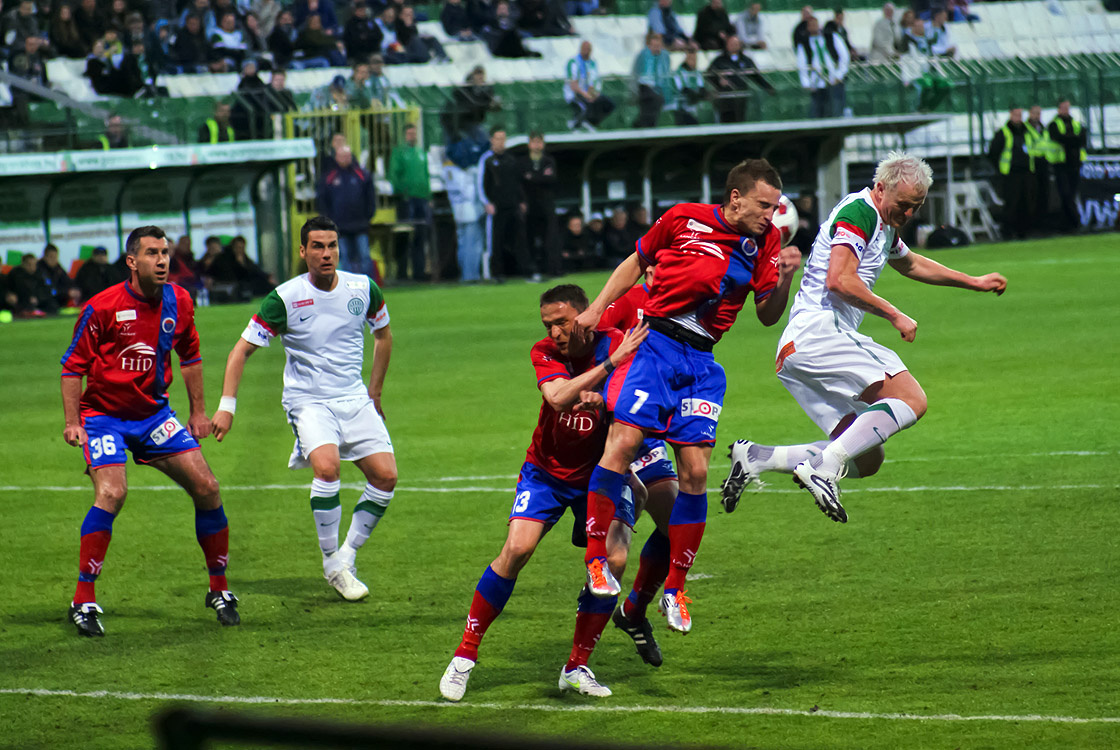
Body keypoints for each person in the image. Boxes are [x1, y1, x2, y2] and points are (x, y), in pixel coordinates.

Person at [571, 159, 802, 634]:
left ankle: (675, 588)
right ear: (735, 197)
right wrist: (597, 309)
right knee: (622, 444)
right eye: (764, 205)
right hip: (654, 344)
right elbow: (636, 261)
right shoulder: (683, 218)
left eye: (776, 207)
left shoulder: (767, 242)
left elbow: (766, 315)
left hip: (701, 362)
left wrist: (782, 280)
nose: (770, 214)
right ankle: (597, 559)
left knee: (696, 471)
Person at [719, 152, 1007, 522]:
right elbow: (838, 280)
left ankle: (758, 457)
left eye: (916, 207)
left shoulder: (884, 222)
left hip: (798, 350)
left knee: (867, 458)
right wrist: (894, 314)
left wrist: (974, 281)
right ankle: (824, 467)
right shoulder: (861, 212)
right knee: (911, 399)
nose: (907, 214)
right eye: (903, 205)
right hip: (820, 331)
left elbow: (912, 263)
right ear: (881, 187)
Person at [438, 284, 649, 702]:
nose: (554, 332)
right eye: (548, 325)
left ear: (585, 315)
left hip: (600, 476)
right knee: (516, 549)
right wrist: (607, 367)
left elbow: (630, 406)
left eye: (562, 322)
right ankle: (465, 654)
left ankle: (576, 665)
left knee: (617, 559)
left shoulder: (616, 341)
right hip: (546, 473)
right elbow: (556, 398)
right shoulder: (548, 353)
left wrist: (605, 398)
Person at [59, 225, 239, 637]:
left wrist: (198, 412)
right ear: (132, 261)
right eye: (153, 253)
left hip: (155, 415)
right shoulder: (102, 308)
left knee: (208, 487)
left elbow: (190, 356)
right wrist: (73, 423)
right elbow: (72, 368)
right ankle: (82, 600)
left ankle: (219, 588)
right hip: (103, 416)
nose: (162, 261)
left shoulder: (179, 301)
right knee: (112, 492)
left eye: (165, 253)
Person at [211, 216, 396, 603]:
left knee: (386, 477)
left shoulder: (363, 288)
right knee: (327, 468)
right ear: (302, 251)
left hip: (353, 397)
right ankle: (332, 562)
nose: (326, 254)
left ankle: (347, 555)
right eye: (317, 246)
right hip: (308, 400)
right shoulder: (285, 298)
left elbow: (383, 335)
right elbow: (239, 352)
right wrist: (227, 406)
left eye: (331, 245)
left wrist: (374, 392)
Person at [478, 126, 533, 280]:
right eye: (498, 139)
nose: (501, 142)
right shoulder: (487, 160)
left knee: (520, 239)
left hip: (513, 205)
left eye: (503, 139)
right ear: (492, 140)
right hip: (497, 207)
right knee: (496, 241)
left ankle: (526, 271)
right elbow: (481, 184)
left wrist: (521, 200)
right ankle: (497, 273)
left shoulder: (511, 159)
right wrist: (486, 202)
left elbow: (517, 183)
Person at [317, 145, 377, 276]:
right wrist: (328, 221)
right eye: (342, 156)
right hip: (339, 227)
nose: (345, 158)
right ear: (336, 158)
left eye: (347, 156)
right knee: (343, 258)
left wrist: (368, 217)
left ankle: (368, 287)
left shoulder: (362, 175)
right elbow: (322, 201)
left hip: (360, 225)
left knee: (365, 257)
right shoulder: (329, 178)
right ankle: (346, 290)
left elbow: (371, 198)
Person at [389, 123, 433, 282]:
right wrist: (402, 192)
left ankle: (419, 272)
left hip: (422, 198)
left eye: (414, 133)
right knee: (405, 235)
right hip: (407, 199)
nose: (412, 136)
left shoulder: (420, 152)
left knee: (420, 236)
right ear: (404, 135)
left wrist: (429, 197)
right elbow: (394, 175)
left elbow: (426, 175)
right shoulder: (399, 153)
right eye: (409, 133)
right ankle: (402, 273)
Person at [988, 106, 1034, 240]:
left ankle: (1023, 232)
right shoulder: (1004, 132)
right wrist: (1000, 170)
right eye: (1016, 115)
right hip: (1010, 174)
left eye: (1020, 115)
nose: (1018, 118)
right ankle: (1007, 232)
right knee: (1011, 203)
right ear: (1010, 115)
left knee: (1025, 202)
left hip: (1026, 172)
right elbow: (993, 153)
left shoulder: (1026, 131)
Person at [706, 35, 775, 124]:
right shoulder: (719, 61)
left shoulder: (746, 60)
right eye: (731, 43)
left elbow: (756, 76)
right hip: (725, 100)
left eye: (736, 43)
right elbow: (710, 75)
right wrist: (719, 81)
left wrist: (768, 87)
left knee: (740, 120)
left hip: (742, 98)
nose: (733, 46)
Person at [521, 131, 561, 278]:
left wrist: (532, 177)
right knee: (529, 238)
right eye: (534, 142)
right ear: (529, 144)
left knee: (550, 239)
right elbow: (522, 181)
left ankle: (553, 269)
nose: (537, 146)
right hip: (530, 207)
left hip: (547, 206)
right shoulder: (523, 162)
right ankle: (532, 270)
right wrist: (541, 177)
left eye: (539, 142)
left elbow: (551, 179)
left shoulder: (549, 160)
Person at [442, 148, 485, 282]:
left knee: (462, 244)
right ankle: (471, 275)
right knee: (473, 245)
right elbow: (469, 192)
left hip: (458, 211)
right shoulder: (463, 171)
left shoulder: (447, 169)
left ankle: (466, 274)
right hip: (470, 211)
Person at [1048, 98, 1089, 233]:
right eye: (1063, 107)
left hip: (1075, 164)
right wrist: (1072, 140)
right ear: (1059, 109)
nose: (1066, 110)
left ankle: (1068, 223)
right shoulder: (1054, 124)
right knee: (1065, 194)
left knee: (1070, 194)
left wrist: (1067, 139)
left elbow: (1082, 139)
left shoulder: (1076, 124)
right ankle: (1074, 222)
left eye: (1067, 107)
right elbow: (1058, 138)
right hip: (1061, 164)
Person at [796, 16, 845, 118]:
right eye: (811, 25)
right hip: (816, 84)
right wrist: (806, 83)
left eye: (815, 24)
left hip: (832, 81)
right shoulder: (804, 44)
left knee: (834, 112)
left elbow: (844, 56)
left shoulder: (831, 37)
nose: (814, 27)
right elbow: (802, 65)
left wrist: (839, 75)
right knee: (818, 113)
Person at [564, 40, 615, 132]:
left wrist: (593, 94)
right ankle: (575, 124)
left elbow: (593, 81)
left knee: (608, 104)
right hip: (575, 93)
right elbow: (573, 85)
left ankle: (591, 123)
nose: (586, 51)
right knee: (585, 106)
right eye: (584, 49)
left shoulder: (592, 63)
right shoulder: (573, 62)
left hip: (588, 92)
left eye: (588, 49)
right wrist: (585, 95)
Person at [632, 31, 671, 128]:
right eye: (655, 40)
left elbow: (666, 74)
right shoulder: (643, 55)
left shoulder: (664, 56)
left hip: (657, 88)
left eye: (659, 40)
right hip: (644, 87)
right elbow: (636, 73)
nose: (657, 44)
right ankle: (640, 126)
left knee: (656, 102)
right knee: (655, 100)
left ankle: (642, 126)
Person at [1025, 104, 1054, 232]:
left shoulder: (1043, 128)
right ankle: (1033, 224)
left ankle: (1043, 224)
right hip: (1032, 165)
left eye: (1039, 113)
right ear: (1029, 113)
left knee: (1044, 195)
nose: (1037, 116)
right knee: (1033, 196)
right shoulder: (1026, 128)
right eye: (1035, 113)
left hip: (1044, 163)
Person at [669, 48, 706, 126]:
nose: (693, 61)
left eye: (695, 59)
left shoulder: (698, 73)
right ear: (686, 59)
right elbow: (680, 89)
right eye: (691, 59)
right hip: (681, 108)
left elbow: (701, 87)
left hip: (696, 106)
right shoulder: (678, 73)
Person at [38, 244, 81, 309]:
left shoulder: (58, 268)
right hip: (45, 299)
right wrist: (67, 293)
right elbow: (49, 289)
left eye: (55, 257)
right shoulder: (39, 269)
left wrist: (74, 289)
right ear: (45, 257)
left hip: (58, 297)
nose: (54, 260)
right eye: (51, 257)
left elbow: (67, 281)